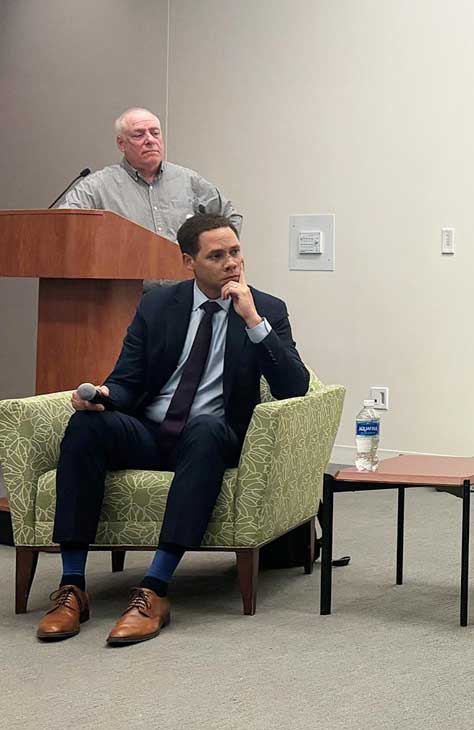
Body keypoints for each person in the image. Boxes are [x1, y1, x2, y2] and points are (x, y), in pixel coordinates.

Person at [34, 215, 308, 646]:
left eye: (235, 252)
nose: (231, 264)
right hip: (152, 431)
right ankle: (72, 588)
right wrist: (103, 395)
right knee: (86, 426)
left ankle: (155, 589)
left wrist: (253, 321)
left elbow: (295, 387)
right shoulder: (158, 304)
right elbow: (127, 379)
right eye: (216, 256)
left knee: (204, 427)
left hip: (212, 439)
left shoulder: (267, 309)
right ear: (189, 262)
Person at [58, 107, 242, 239]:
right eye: (139, 135)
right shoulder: (98, 185)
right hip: (126, 289)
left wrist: (212, 257)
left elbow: (230, 217)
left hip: (182, 288)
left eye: (155, 133)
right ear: (121, 144)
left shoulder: (188, 181)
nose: (150, 140)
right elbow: (62, 223)